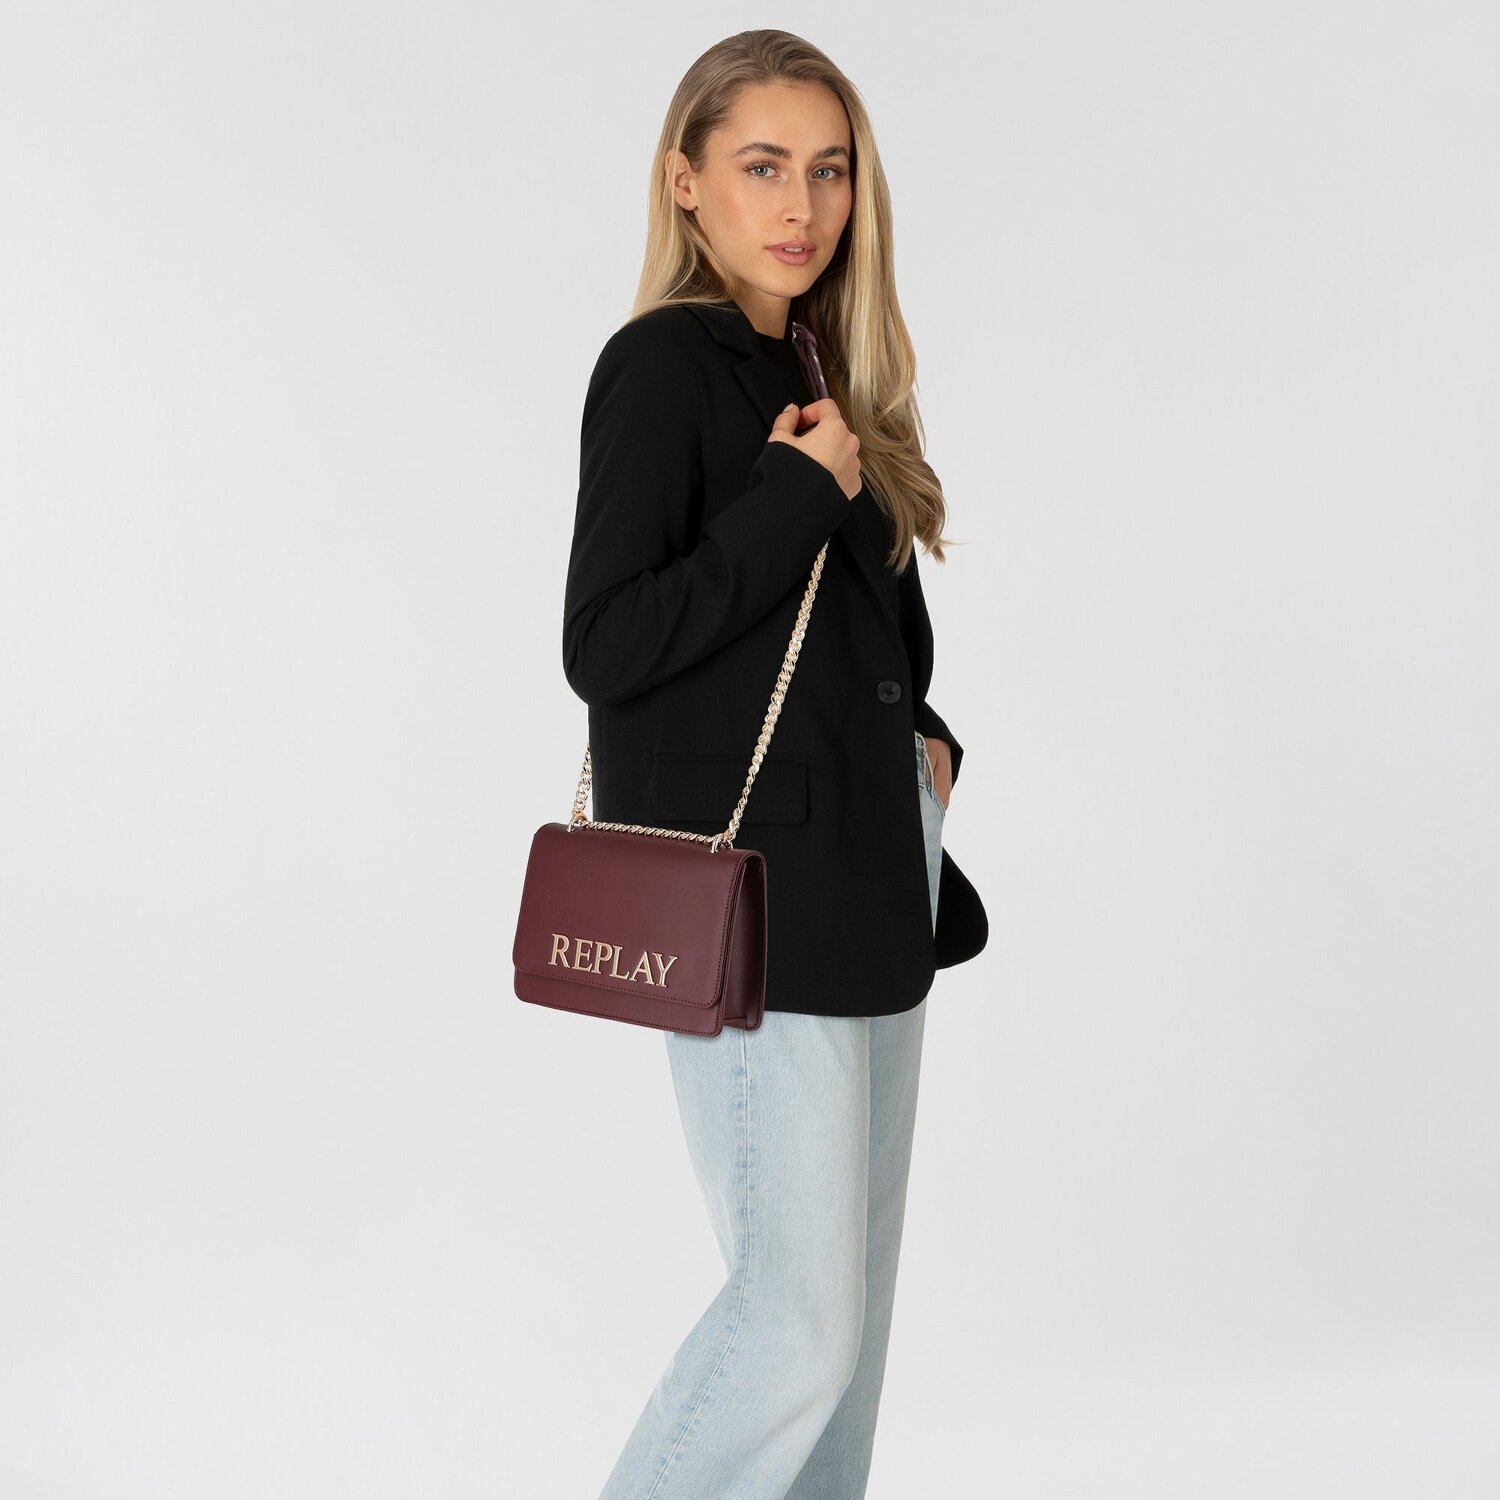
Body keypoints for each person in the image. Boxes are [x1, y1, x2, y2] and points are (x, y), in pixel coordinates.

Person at [561, 29, 988, 1499]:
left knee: (847, 1344)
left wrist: (926, 746)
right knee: (794, 1322)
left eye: (828, 170)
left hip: (878, 865)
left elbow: (861, 642)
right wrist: (793, 493)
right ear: (687, 182)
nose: (800, 204)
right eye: (761, 166)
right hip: (754, 891)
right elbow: (608, 643)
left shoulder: (821, 366)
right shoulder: (660, 368)